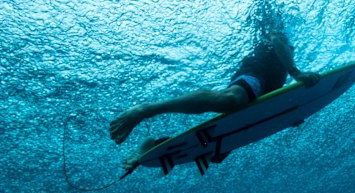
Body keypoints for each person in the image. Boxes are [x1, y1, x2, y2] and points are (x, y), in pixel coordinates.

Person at [110, 29, 320, 170]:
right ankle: (145, 110)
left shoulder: (282, 55)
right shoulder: (275, 32)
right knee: (231, 100)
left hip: (263, 91)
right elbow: (277, 40)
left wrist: (287, 114)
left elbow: (271, 100)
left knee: (216, 149)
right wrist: (296, 72)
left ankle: (155, 145)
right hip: (256, 73)